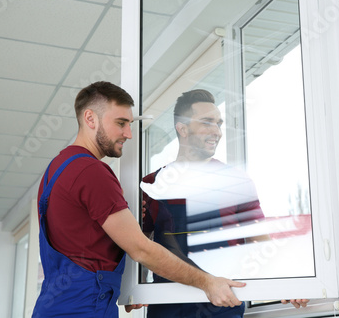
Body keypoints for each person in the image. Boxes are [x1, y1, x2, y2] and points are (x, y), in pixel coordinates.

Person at [32, 82, 246, 318]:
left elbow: (86, 245)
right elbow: (141, 249)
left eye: (130, 125)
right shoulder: (91, 172)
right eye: (121, 123)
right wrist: (208, 283)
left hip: (53, 307)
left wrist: (135, 283)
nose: (128, 134)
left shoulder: (56, 169)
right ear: (90, 118)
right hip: (84, 310)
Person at [141, 89, 309, 318]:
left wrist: (291, 282)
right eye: (207, 122)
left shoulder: (236, 182)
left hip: (221, 308)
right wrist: (135, 289)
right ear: (182, 128)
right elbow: (139, 245)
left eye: (218, 123)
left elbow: (260, 242)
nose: (216, 131)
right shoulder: (152, 184)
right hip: (168, 305)